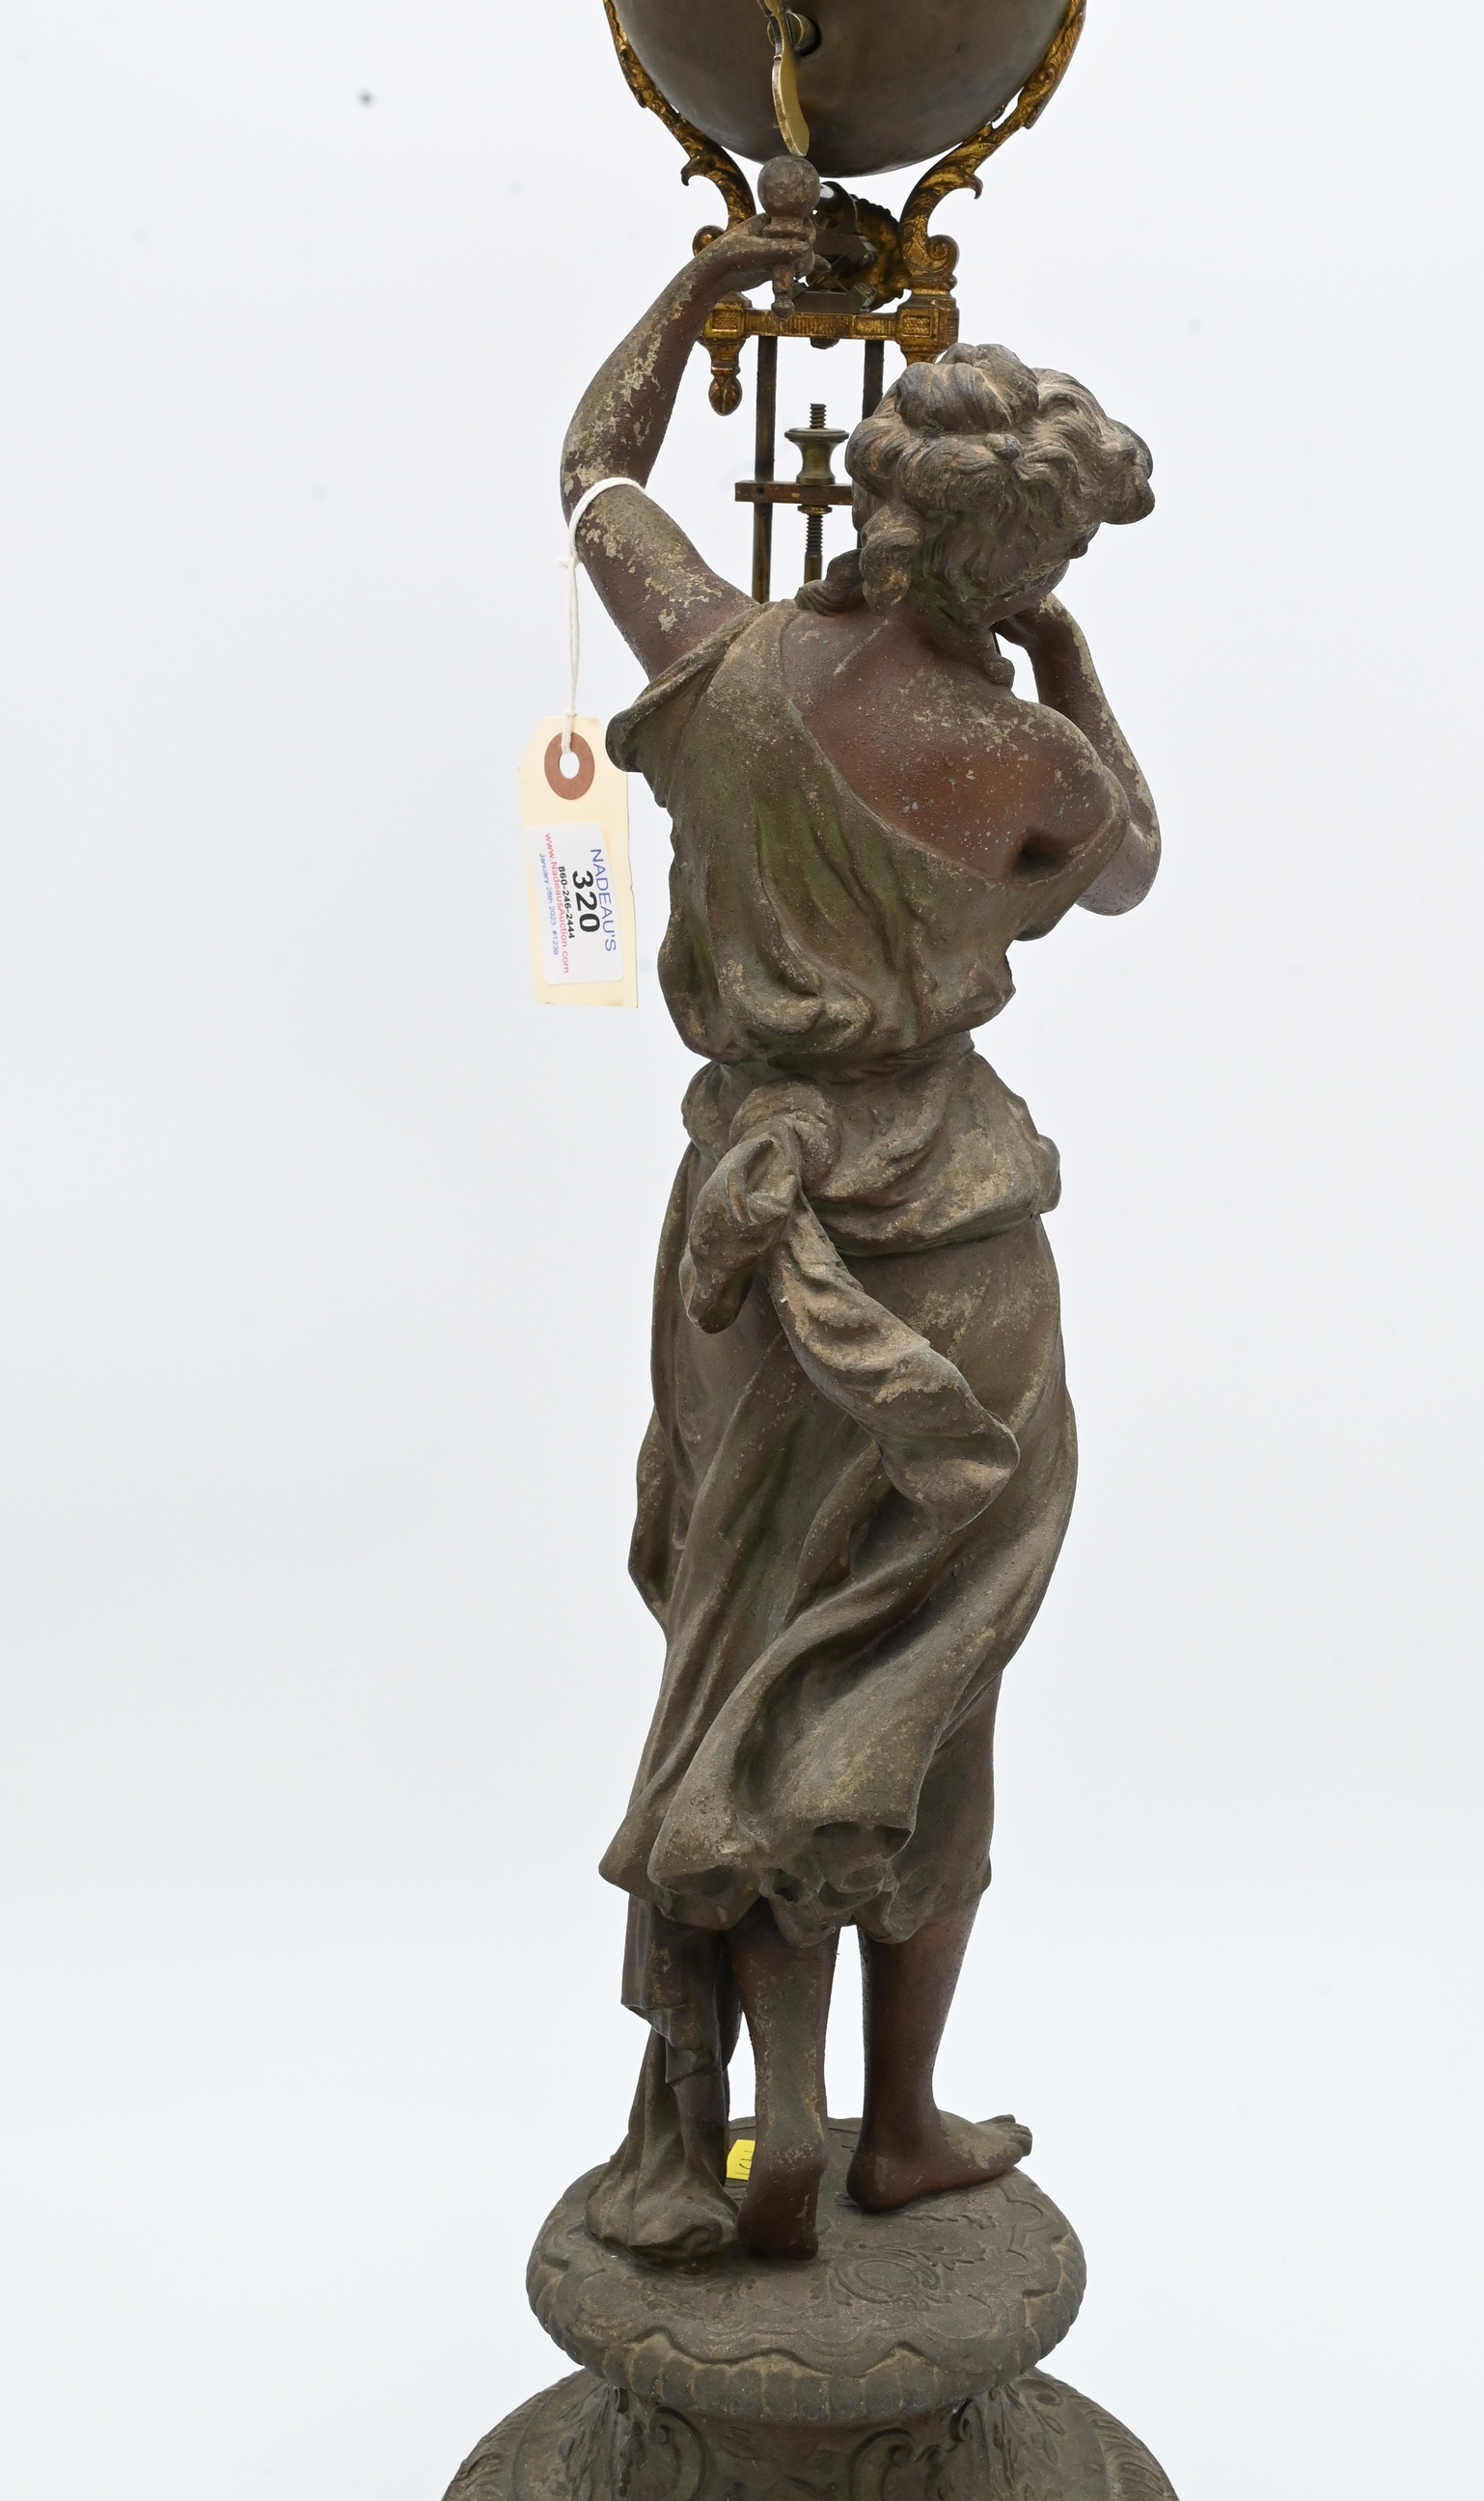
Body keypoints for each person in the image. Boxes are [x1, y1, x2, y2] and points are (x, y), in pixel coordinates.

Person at [560, 170, 1158, 2266]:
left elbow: (593, 479)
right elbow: (1128, 864)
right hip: (958, 1256)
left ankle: (763, 2097)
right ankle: (892, 2122)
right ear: (1010, 564)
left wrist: (699, 290)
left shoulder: (719, 664)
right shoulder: (1026, 757)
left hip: (749, 1248)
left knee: (739, 1662)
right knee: (926, 1681)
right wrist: (1067, 669)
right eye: (1056, 561)